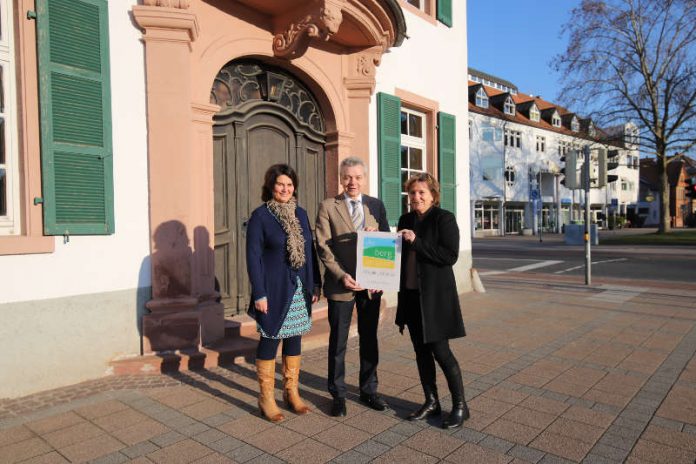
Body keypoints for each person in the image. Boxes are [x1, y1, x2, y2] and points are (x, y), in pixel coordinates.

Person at [315, 156, 390, 417]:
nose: (352, 182)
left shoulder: (376, 205)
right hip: (341, 284)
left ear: (364, 178)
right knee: (338, 341)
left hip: (370, 285)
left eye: (357, 177)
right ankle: (337, 394)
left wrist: (378, 233)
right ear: (340, 178)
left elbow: (387, 242)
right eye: (347, 177)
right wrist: (341, 275)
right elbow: (323, 246)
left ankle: (369, 390)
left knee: (370, 339)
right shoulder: (327, 206)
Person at [246, 164, 320, 422]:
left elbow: (310, 252)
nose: (285, 189)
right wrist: (259, 293)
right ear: (271, 187)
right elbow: (253, 257)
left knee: (294, 337)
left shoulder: (301, 213)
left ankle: (291, 392)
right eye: (280, 184)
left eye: (289, 185)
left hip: (299, 286)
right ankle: (266, 397)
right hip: (273, 288)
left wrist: (315, 284)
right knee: (270, 337)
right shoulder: (261, 216)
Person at [396, 173, 469, 429]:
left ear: (433, 195)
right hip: (411, 297)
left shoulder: (444, 219)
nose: (415, 197)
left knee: (441, 352)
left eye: (421, 193)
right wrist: (377, 239)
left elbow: (449, 256)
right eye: (412, 193)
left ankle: (460, 405)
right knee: (421, 353)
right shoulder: (405, 219)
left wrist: (417, 242)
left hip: (435, 299)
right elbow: (396, 256)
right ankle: (431, 401)